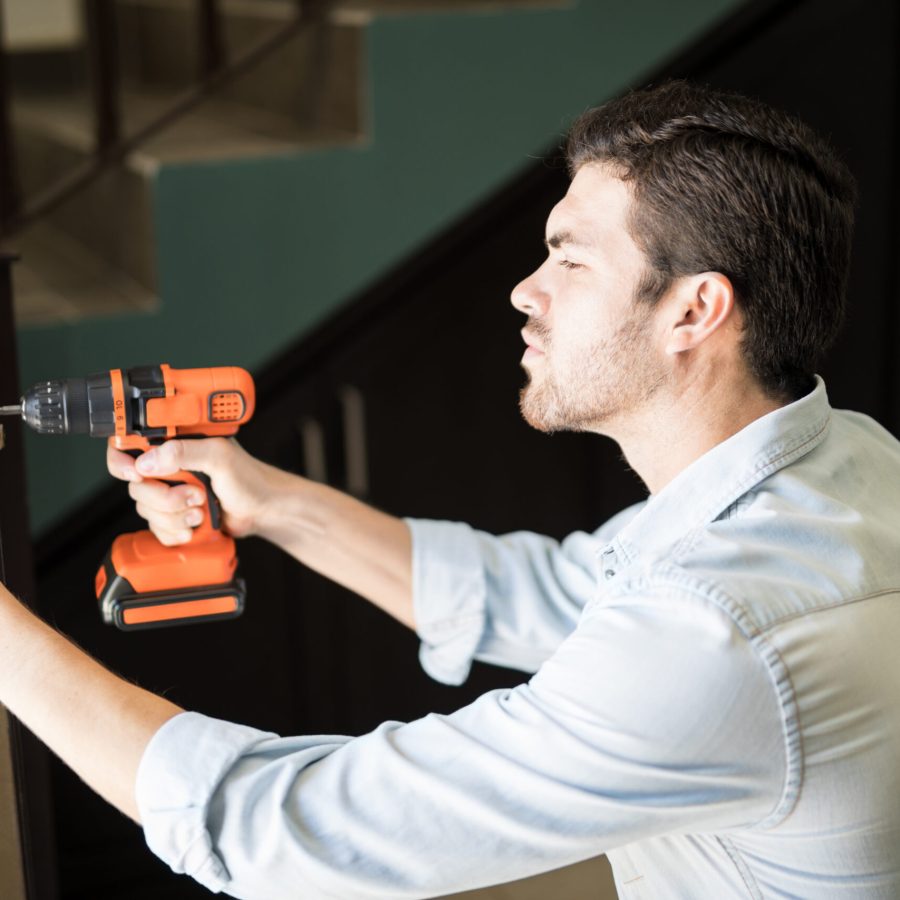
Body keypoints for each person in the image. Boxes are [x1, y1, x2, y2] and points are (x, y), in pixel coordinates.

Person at [1, 79, 898, 898]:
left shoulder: (715, 635)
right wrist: (268, 501)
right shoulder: (847, 462)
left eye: (570, 262)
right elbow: (533, 595)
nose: (524, 291)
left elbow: (275, 833)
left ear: (693, 310)